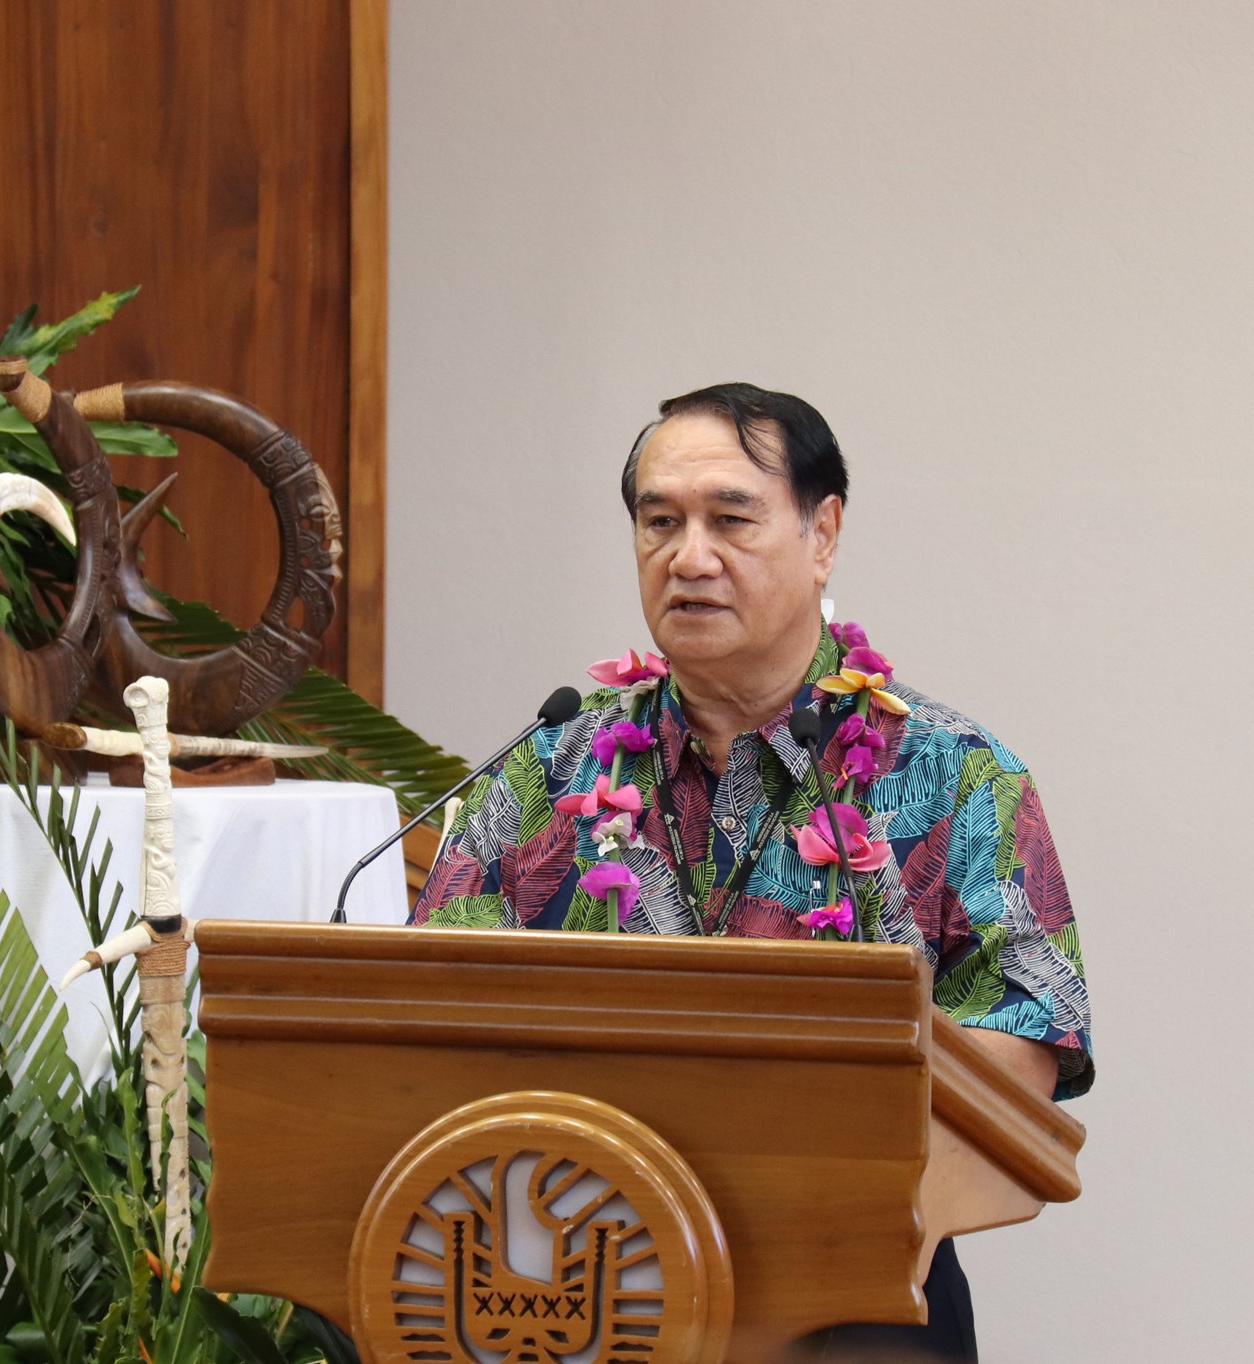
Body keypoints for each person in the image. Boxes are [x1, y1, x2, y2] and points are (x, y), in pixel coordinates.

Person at [414, 382, 1092, 1361]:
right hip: (576, 1288)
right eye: (660, 522)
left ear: (823, 534)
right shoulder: (548, 766)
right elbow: (430, 1010)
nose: (689, 557)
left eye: (730, 519)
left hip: (857, 1295)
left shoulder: (953, 772)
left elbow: (1025, 1040)